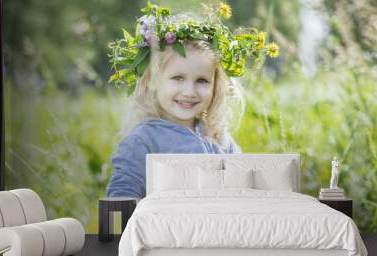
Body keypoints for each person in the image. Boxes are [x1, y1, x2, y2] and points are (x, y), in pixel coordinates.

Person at [106, 2, 279, 198]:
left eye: (202, 81)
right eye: (178, 78)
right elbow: (121, 199)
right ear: (153, 80)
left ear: (216, 87)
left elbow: (244, 192)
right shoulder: (143, 140)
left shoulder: (220, 139)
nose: (190, 91)